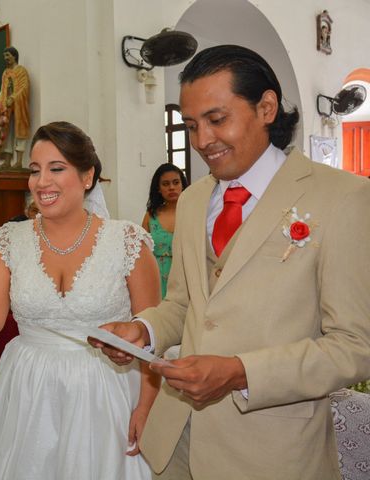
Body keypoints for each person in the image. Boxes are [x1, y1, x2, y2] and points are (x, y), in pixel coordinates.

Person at [92, 45, 370, 480]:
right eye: (190, 126)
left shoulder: (340, 198)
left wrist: (241, 372)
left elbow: (355, 346)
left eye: (217, 120)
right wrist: (142, 329)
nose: (202, 141)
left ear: (266, 107)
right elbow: (183, 305)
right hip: (179, 441)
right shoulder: (192, 200)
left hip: (271, 453)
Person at [0, 121, 161, 479]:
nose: (41, 181)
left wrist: (147, 406)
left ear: (87, 176)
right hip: (28, 390)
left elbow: (155, 333)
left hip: (105, 391)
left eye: (56, 168)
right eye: (35, 170)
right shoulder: (8, 240)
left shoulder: (126, 242)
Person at [141, 163, 188, 298]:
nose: (171, 187)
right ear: (159, 189)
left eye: (176, 182)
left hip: (187, 277)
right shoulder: (151, 216)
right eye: (166, 184)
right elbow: (142, 251)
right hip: (156, 279)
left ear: (182, 185)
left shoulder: (194, 212)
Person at [0, 46, 30, 168]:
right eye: (4, 56)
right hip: (6, 109)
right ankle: (7, 161)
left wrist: (13, 98)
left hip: (19, 107)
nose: (6, 58)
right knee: (6, 133)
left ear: (14, 56)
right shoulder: (6, 73)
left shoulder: (21, 71)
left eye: (8, 55)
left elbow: (24, 88)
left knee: (19, 132)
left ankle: (19, 161)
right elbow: (3, 91)